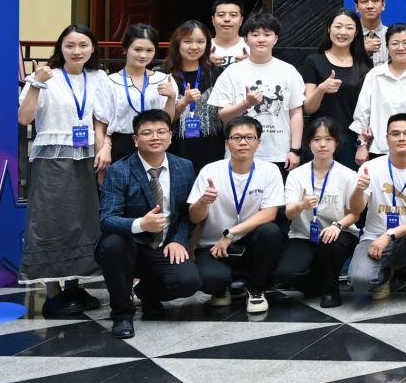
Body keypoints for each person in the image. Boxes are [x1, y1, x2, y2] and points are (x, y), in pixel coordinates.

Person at [19, 23, 115, 316]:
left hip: (87, 159)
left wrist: (105, 148)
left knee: (82, 221)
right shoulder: (46, 76)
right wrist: (36, 83)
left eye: (83, 45)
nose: (77, 51)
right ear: (60, 48)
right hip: (52, 161)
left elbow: (102, 120)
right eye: (70, 45)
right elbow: (24, 118)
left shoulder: (99, 78)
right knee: (50, 221)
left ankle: (73, 286)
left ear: (93, 48)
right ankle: (53, 292)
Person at [94, 109, 200, 338]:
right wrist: (141, 224)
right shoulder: (119, 169)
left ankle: (147, 293)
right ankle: (122, 314)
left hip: (163, 247)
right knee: (112, 245)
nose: (155, 137)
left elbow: (186, 213)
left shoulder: (184, 166)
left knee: (189, 281)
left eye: (161, 132)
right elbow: (107, 218)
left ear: (170, 136)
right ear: (135, 139)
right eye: (147, 132)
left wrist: (179, 241)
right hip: (129, 247)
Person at [186, 115, 287, 314]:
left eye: (249, 137)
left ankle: (256, 289)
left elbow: (269, 214)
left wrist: (230, 234)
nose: (243, 142)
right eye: (236, 137)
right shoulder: (210, 171)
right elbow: (194, 217)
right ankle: (221, 287)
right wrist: (203, 201)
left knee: (271, 232)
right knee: (211, 280)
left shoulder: (269, 170)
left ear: (258, 143)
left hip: (248, 243)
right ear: (227, 143)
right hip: (213, 245)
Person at [347, 113, 406, 306]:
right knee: (360, 281)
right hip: (375, 238)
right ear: (386, 138)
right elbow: (356, 210)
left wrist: (389, 235)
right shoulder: (370, 168)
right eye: (395, 134)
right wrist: (359, 189)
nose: (401, 138)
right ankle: (386, 273)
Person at [275, 117, 361, 306]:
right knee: (286, 273)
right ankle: (316, 284)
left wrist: (337, 225)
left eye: (328, 139)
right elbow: (288, 213)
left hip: (339, 233)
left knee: (330, 244)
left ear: (336, 143)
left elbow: (354, 214)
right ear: (308, 143)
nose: (323, 144)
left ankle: (330, 291)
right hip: (303, 235)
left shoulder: (348, 175)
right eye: (317, 139)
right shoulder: (296, 175)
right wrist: (301, 205)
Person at [206, 13, 305, 171]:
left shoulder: (289, 71)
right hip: (239, 153)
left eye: (267, 34)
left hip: (279, 154)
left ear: (276, 39)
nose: (261, 39)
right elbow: (223, 115)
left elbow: (296, 113)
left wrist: (295, 150)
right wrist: (246, 104)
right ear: (246, 39)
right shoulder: (231, 72)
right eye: (255, 34)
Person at [350, 24, 406, 159]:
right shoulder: (375, 75)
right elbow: (362, 114)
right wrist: (361, 146)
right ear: (387, 46)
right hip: (381, 148)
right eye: (395, 43)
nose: (401, 48)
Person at [301, 8, 368, 166]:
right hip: (319, 138)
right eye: (338, 26)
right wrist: (321, 89)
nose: (343, 32)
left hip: (351, 140)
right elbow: (308, 108)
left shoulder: (364, 65)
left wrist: (362, 143)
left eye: (349, 27)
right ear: (329, 28)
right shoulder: (313, 61)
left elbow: (367, 110)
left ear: (356, 32)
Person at [159, 19, 223, 171]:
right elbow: (161, 121)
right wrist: (184, 102)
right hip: (175, 151)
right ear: (177, 43)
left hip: (212, 150)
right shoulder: (163, 75)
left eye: (200, 42)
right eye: (188, 41)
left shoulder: (217, 74)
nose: (194, 47)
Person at [105, 25, 167, 165]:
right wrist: (105, 147)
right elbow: (101, 122)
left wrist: (172, 97)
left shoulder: (163, 79)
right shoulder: (110, 81)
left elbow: (169, 118)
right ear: (125, 49)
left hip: (155, 142)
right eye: (137, 49)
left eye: (149, 50)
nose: (143, 55)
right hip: (121, 143)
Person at [351, 0, 388, 64]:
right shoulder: (348, 35)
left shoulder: (392, 35)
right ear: (356, 7)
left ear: (383, 5)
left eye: (375, 1)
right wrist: (363, 50)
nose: (370, 6)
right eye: (364, 1)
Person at [208, 0, 250, 68]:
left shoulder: (252, 47)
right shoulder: (202, 48)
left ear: (241, 20)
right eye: (221, 15)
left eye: (233, 15)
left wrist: (252, 63)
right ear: (213, 20)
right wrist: (203, 62)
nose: (227, 19)